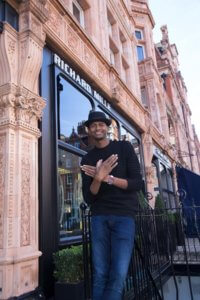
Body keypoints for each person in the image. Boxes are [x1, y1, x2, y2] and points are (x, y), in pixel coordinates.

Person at [81, 110, 143, 300]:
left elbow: (137, 183)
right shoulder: (87, 160)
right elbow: (88, 198)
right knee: (100, 274)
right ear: (89, 130)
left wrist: (109, 178)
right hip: (99, 217)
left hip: (124, 217)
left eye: (101, 124)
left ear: (107, 128)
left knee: (118, 274)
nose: (97, 128)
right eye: (93, 125)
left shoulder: (124, 148)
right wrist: (97, 179)